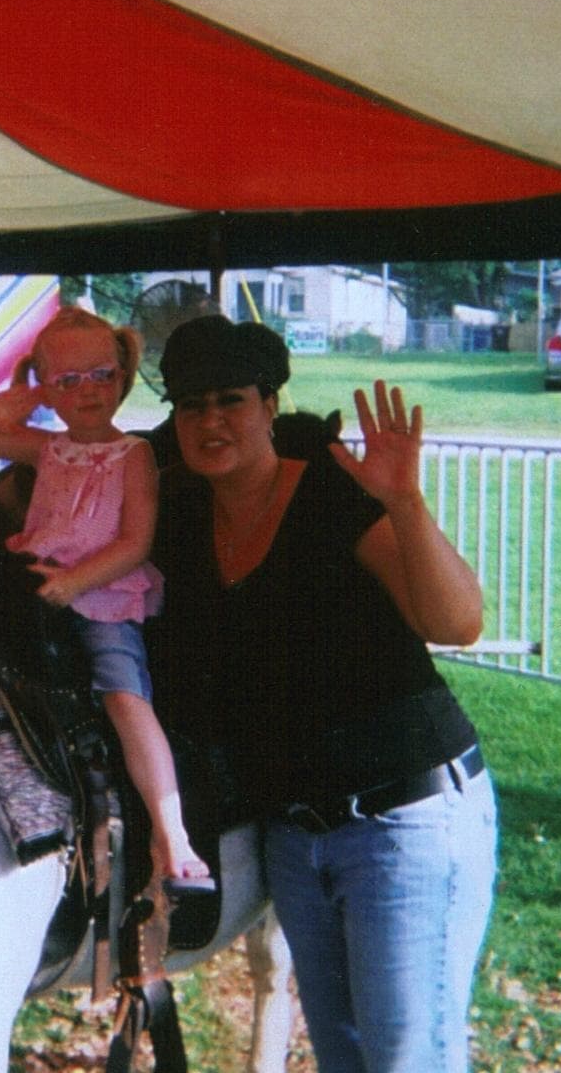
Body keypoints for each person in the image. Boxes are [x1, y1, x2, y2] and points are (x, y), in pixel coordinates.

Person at [149, 314, 494, 1073]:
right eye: (189, 405)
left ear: (269, 405)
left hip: (402, 816)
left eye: (229, 399)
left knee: (407, 1057)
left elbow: (456, 621)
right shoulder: (178, 515)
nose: (209, 420)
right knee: (344, 1055)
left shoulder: (331, 493)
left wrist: (404, 501)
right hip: (294, 838)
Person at [0, 306, 210, 891]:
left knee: (122, 693)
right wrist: (6, 405)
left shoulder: (134, 456)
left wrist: (73, 583)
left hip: (100, 594)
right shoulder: (48, 450)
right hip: (34, 584)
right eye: (67, 382)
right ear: (48, 388)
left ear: (121, 376)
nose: (88, 392)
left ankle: (172, 831)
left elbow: (134, 540)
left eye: (102, 375)